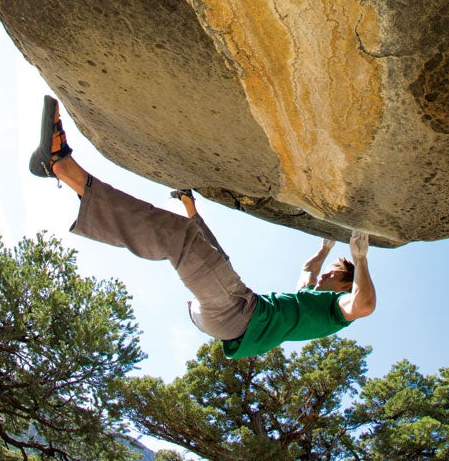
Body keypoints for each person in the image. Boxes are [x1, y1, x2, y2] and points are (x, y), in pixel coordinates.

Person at [29, 96, 376, 359]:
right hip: (231, 313)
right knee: (216, 257)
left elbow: (364, 307)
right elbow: (306, 271)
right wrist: (325, 250)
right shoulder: (311, 298)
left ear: (344, 286)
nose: (326, 276)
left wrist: (359, 261)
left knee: (178, 239)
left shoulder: (338, 310)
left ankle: (62, 169)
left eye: (333, 275)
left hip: (239, 317)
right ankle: (189, 206)